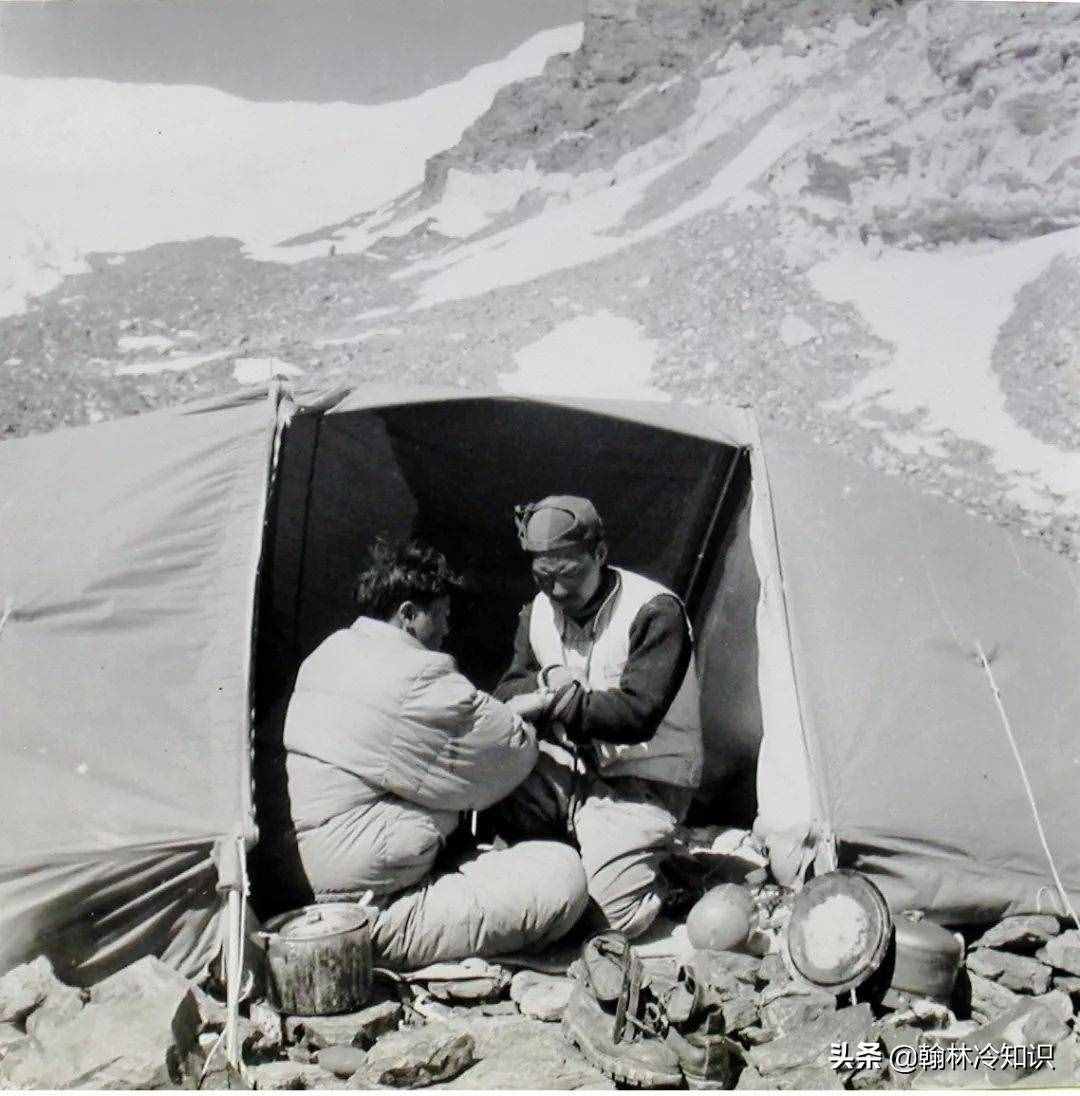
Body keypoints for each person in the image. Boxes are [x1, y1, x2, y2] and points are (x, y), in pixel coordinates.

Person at [275, 539, 588, 969]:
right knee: (562, 875)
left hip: (333, 885)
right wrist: (521, 714)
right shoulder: (416, 675)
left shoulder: (329, 654)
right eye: (439, 618)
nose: (445, 632)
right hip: (375, 913)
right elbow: (508, 753)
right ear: (407, 614)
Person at [494, 496, 704, 939]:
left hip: (647, 785)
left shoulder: (654, 610)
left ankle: (669, 873)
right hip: (575, 776)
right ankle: (584, 855)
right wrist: (548, 678)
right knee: (486, 783)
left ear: (600, 554)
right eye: (542, 576)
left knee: (606, 921)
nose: (555, 590)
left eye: (567, 573)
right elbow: (508, 691)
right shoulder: (538, 613)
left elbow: (636, 714)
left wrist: (556, 699)